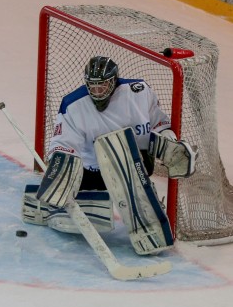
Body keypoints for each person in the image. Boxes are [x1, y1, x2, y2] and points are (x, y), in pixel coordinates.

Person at [24, 56, 197, 255]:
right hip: (92, 172)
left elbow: (160, 124)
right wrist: (61, 168)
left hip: (136, 162)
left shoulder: (138, 92)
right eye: (93, 86)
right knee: (65, 182)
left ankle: (147, 226)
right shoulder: (72, 105)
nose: (97, 91)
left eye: (103, 85)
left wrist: (169, 142)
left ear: (114, 81)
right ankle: (58, 205)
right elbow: (63, 145)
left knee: (117, 147)